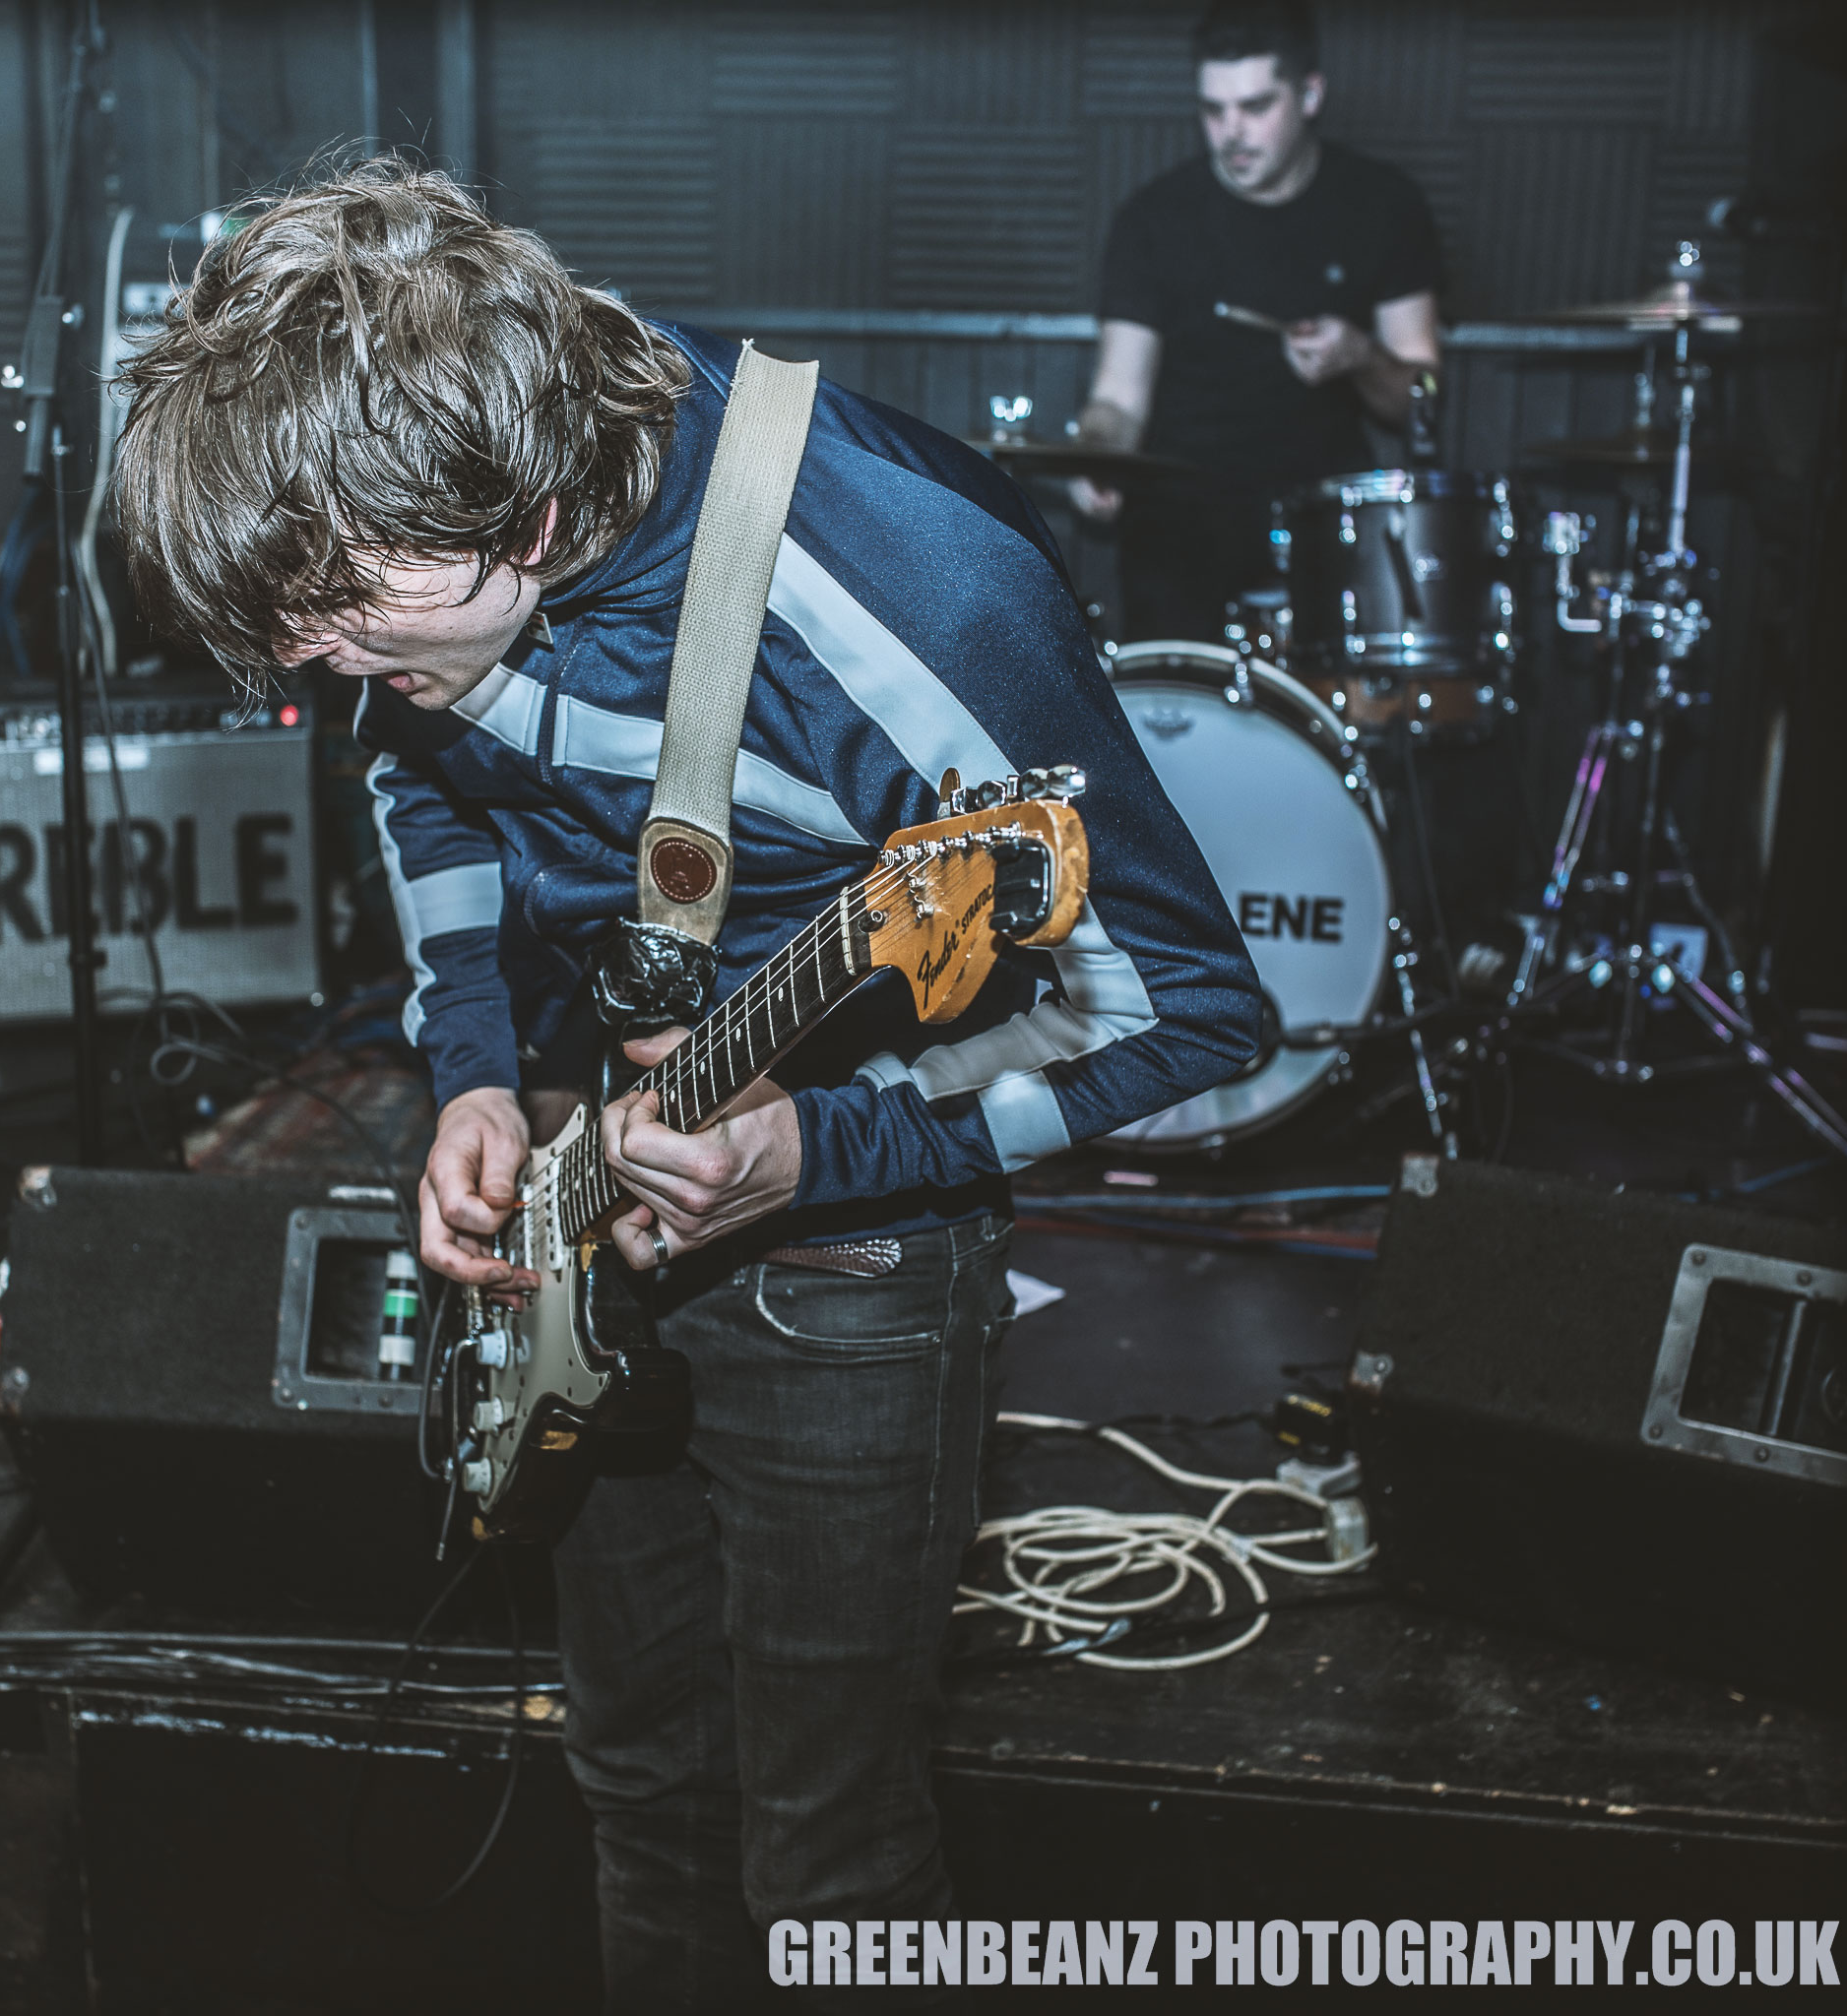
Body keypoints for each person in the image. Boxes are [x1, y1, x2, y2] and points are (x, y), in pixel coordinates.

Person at [113, 158, 1258, 2010]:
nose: (313, 663)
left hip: (857, 1261)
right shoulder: (425, 504)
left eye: (341, 614)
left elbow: (1186, 1010)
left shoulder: (907, 592)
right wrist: (477, 1076)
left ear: (536, 514)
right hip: (605, 1197)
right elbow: (418, 763)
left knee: (833, 1853)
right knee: (636, 1782)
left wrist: (823, 1141)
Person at [1075, 0, 1444, 644]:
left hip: (1319, 531)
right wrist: (1098, 454)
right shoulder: (1153, 219)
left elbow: (1424, 399)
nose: (1232, 133)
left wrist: (1361, 356)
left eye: (1255, 107)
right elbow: (1117, 395)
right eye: (1213, 111)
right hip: (1177, 531)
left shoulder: (1384, 205)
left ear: (1310, 94)